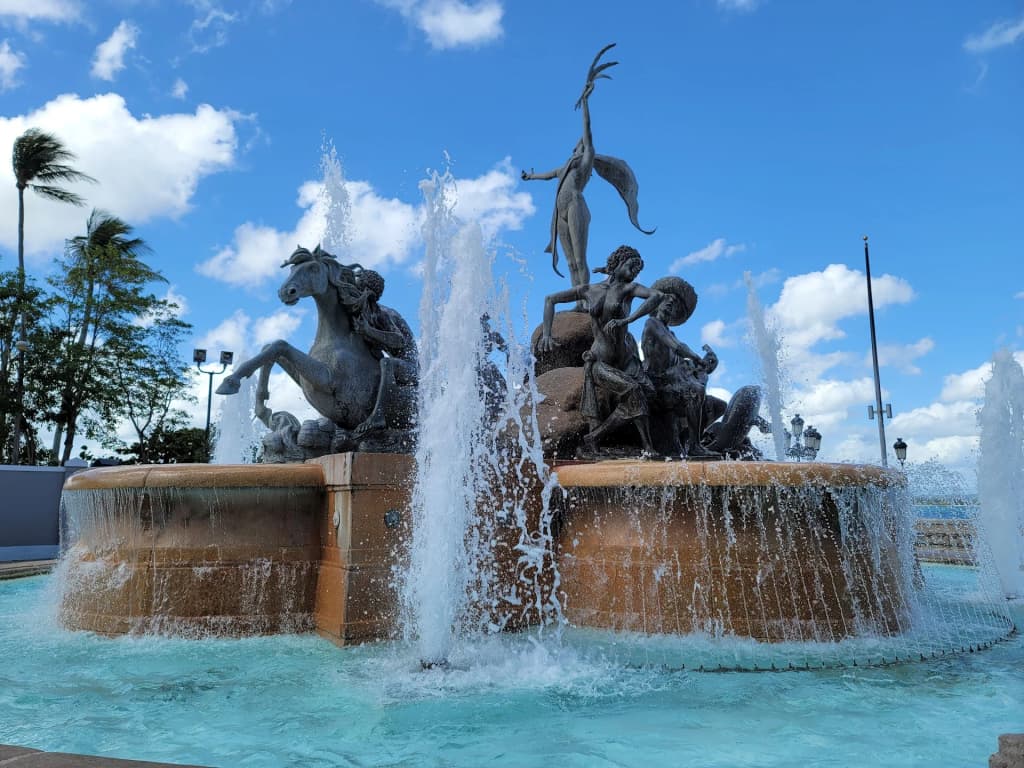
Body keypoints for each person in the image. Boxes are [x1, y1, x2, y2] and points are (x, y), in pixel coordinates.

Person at [538, 245, 663, 456]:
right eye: (632, 266)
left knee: (645, 393)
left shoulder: (629, 289)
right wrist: (547, 334)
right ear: (619, 263)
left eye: (638, 269)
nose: (635, 272)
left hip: (626, 360)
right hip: (600, 360)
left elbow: (657, 295)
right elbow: (550, 299)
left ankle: (639, 446)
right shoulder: (589, 290)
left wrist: (628, 319)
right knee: (633, 391)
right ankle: (633, 445)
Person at [641, 276, 720, 458]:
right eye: (666, 300)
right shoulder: (652, 324)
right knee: (695, 391)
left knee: (706, 397)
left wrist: (705, 366)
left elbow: (683, 366)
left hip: (671, 383)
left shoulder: (671, 332)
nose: (670, 304)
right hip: (655, 383)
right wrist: (697, 358)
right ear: (657, 304)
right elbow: (678, 347)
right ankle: (694, 446)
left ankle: (692, 442)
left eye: (674, 303)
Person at [346, 269, 418, 435]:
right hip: (400, 364)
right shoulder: (369, 313)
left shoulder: (384, 313)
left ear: (367, 291)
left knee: (387, 363)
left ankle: (378, 416)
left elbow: (399, 341)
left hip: (412, 369)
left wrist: (369, 331)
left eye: (357, 288)